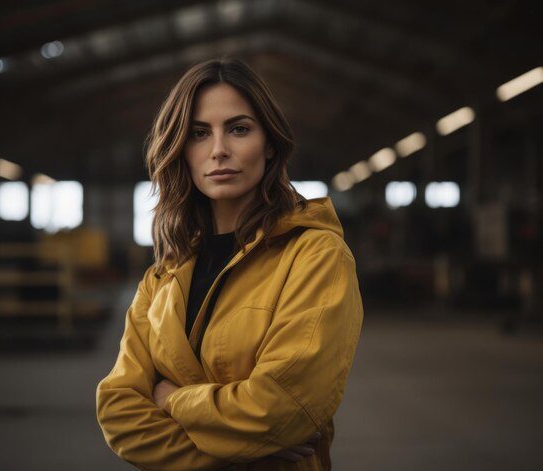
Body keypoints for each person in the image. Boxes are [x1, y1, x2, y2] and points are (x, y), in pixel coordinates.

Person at [96, 58, 363, 471]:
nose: (219, 150)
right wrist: (239, 450)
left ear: (270, 143)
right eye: (199, 133)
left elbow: (279, 410)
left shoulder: (315, 256)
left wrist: (169, 399)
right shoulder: (163, 275)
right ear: (181, 149)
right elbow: (118, 414)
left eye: (239, 129)